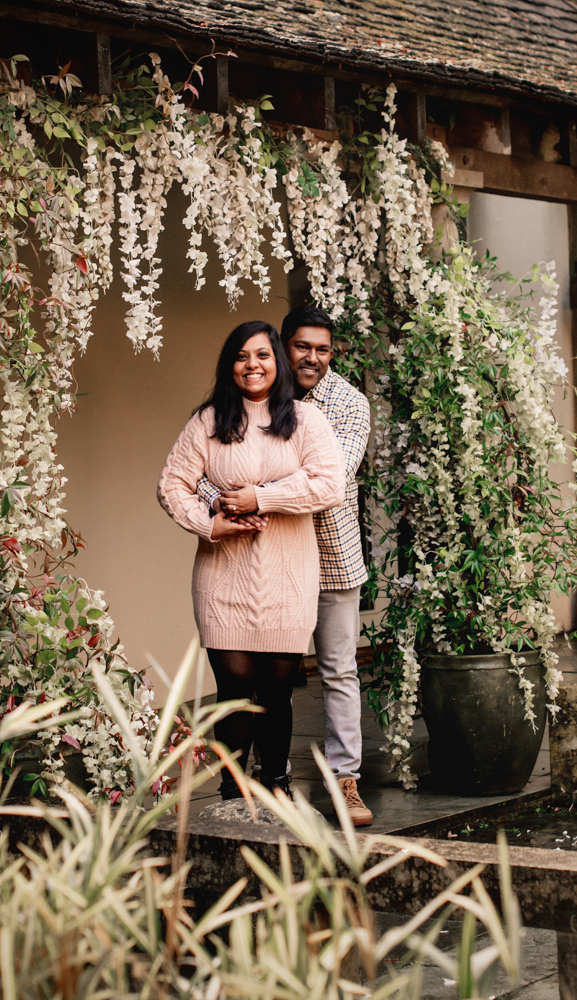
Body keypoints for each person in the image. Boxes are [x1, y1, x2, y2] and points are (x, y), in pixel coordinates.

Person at [197, 305, 374, 826]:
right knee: (270, 678)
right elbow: (204, 470)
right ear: (282, 345)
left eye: (323, 349)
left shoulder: (348, 403)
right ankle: (270, 779)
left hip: (332, 556)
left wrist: (253, 494)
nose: (312, 358)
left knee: (338, 669)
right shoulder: (251, 395)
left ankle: (345, 781)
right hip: (264, 558)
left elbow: (331, 479)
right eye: (301, 347)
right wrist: (219, 499)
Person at [157, 320, 345, 800]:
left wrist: (260, 498)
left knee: (277, 691)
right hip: (223, 578)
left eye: (262, 355)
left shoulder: (305, 420)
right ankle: (232, 792)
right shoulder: (209, 421)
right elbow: (171, 485)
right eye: (241, 356)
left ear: (276, 362)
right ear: (230, 365)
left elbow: (329, 486)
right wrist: (210, 524)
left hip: (288, 579)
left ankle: (276, 783)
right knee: (235, 691)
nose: (252, 365)